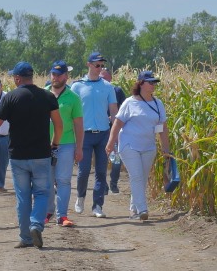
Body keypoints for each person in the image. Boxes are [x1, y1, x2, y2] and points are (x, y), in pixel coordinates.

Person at [0, 62, 62, 249]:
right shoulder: (48, 96)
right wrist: (54, 144)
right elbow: (58, 125)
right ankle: (36, 224)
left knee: (23, 197)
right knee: (42, 193)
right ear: (32, 76)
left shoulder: (11, 98)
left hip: (18, 155)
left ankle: (25, 237)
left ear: (17, 79)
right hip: (41, 154)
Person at [105, 71, 170, 221]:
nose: (153, 85)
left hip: (148, 147)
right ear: (140, 83)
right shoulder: (129, 102)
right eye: (150, 82)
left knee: (142, 178)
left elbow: (163, 128)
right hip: (129, 145)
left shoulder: (157, 103)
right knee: (136, 176)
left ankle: (133, 210)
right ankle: (142, 209)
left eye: (154, 82)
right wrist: (110, 143)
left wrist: (166, 149)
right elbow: (117, 123)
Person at [70, 52, 118, 218]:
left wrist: (115, 132)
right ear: (88, 65)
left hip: (103, 133)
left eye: (102, 66)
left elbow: (113, 110)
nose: (100, 68)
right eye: (97, 65)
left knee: (101, 171)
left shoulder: (107, 87)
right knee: (83, 171)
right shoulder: (77, 86)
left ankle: (97, 205)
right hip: (84, 134)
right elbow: (72, 112)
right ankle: (80, 196)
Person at [45, 61, 83, 227]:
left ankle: (62, 216)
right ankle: (47, 212)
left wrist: (79, 147)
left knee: (63, 180)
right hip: (45, 144)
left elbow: (78, 125)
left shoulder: (73, 98)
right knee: (46, 180)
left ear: (66, 76)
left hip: (66, 144)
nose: (56, 77)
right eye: (54, 74)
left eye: (59, 75)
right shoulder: (43, 94)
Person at [100, 67, 126, 194]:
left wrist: (115, 116)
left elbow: (124, 108)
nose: (102, 80)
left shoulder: (117, 91)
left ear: (110, 78)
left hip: (114, 131)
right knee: (102, 160)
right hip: (101, 131)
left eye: (104, 77)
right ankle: (103, 185)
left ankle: (113, 183)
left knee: (116, 160)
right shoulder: (97, 91)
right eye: (100, 77)